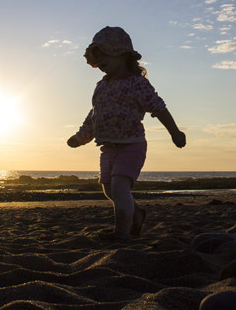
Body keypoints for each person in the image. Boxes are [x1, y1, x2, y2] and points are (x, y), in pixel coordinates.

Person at [67, 26, 186, 240]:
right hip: (107, 148)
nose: (100, 60)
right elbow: (94, 116)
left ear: (122, 54)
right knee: (109, 190)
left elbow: (158, 107)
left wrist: (175, 132)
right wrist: (80, 137)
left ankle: (121, 233)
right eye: (97, 55)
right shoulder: (101, 86)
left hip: (132, 145)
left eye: (105, 53)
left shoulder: (137, 83)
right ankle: (137, 215)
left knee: (120, 188)